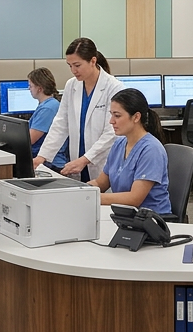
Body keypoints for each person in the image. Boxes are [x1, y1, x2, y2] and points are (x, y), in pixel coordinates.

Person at [33, 37, 127, 181]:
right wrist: (42, 156)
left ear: (93, 61)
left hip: (102, 162)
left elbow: (112, 133)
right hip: (76, 162)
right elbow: (61, 124)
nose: (73, 71)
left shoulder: (114, 87)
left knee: (101, 198)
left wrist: (85, 159)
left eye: (77, 65)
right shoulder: (72, 86)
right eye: (69, 65)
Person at [88, 88, 172, 214]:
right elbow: (101, 183)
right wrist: (79, 190)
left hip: (151, 220)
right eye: (111, 115)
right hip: (126, 216)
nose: (111, 121)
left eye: (117, 116)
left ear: (136, 117)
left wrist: (89, 198)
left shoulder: (151, 150)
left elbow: (134, 199)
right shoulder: (119, 144)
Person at [26, 67, 69, 171]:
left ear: (39, 88)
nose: (29, 89)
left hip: (49, 163)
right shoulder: (49, 104)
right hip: (43, 159)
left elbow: (29, 140)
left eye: (30, 86)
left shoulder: (48, 109)